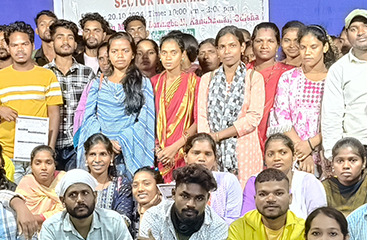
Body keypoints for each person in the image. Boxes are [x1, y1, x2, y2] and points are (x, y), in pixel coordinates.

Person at [0, 21, 63, 181]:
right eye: (14, 45)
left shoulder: (48, 75)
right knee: (13, 199)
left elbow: (54, 114)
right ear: (8, 47)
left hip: (38, 153)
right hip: (8, 153)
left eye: (24, 44)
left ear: (32, 45)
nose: (20, 49)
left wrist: (49, 149)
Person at [76, 32, 155, 178]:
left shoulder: (143, 83)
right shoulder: (97, 84)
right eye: (114, 51)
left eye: (125, 51)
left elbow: (146, 121)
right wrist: (105, 142)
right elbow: (88, 119)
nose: (120, 55)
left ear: (132, 54)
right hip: (100, 154)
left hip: (128, 153)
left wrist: (121, 141)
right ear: (109, 55)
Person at [196, 26, 265, 187]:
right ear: (218, 51)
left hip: (245, 150)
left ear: (242, 47)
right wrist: (208, 145)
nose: (227, 51)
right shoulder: (207, 79)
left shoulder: (254, 77)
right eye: (222, 47)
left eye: (232, 45)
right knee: (214, 195)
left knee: (245, 198)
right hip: (212, 150)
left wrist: (218, 136)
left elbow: (252, 118)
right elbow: (202, 116)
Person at [321, 10, 367, 167]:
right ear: (347, 34)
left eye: (366, 26)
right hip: (358, 150)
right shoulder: (339, 69)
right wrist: (334, 157)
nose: (360, 32)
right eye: (353, 29)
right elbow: (332, 115)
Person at [269, 25, 338, 176]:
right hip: (296, 154)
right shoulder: (288, 78)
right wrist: (302, 152)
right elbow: (282, 117)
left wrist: (311, 144)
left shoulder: (335, 78)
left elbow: (338, 119)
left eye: (314, 47)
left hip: (327, 151)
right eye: (303, 47)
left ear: (325, 47)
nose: (307, 53)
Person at [43, 20, 96, 170]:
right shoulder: (43, 73)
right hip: (49, 144)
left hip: (76, 145)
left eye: (70, 37)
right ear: (52, 42)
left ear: (75, 43)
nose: (65, 41)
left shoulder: (87, 73)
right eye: (60, 37)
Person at [243, 133, 326, 220]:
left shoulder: (308, 181)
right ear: (265, 160)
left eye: (283, 153)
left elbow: (319, 219)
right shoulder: (254, 181)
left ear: (294, 157)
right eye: (270, 154)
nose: (277, 158)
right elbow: (247, 219)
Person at [152, 34, 199, 181]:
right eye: (164, 53)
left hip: (184, 151)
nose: (168, 58)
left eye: (174, 53)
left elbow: (199, 120)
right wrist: (159, 150)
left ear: (183, 54)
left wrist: (175, 148)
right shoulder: (153, 82)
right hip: (159, 154)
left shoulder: (194, 82)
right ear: (159, 55)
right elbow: (148, 119)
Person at [250, 22, 295, 153]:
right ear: (252, 43)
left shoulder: (289, 73)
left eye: (270, 41)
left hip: (278, 138)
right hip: (246, 137)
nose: (264, 46)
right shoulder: (242, 72)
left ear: (278, 45)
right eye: (259, 41)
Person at [82, 133, 137, 232]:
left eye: (103, 154)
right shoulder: (78, 184)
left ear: (111, 157)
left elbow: (124, 219)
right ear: (86, 158)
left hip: (113, 239)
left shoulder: (121, 184)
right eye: (92, 154)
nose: (97, 160)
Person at [185, 133, 241, 223]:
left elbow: (233, 221)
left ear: (215, 158)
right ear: (185, 157)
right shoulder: (177, 185)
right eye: (196, 153)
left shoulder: (228, 181)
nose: (202, 158)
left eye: (208, 154)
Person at [324, 137, 367, 215]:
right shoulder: (325, 187)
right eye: (340, 161)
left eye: (353, 160)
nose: (346, 166)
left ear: (364, 163)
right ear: (332, 164)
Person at [16, 145, 64, 221]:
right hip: (31, 228)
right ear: (31, 166)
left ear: (55, 165)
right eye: (38, 163)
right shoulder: (26, 183)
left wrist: (40, 218)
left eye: (48, 163)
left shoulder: (63, 179)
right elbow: (20, 211)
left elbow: (67, 209)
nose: (43, 168)